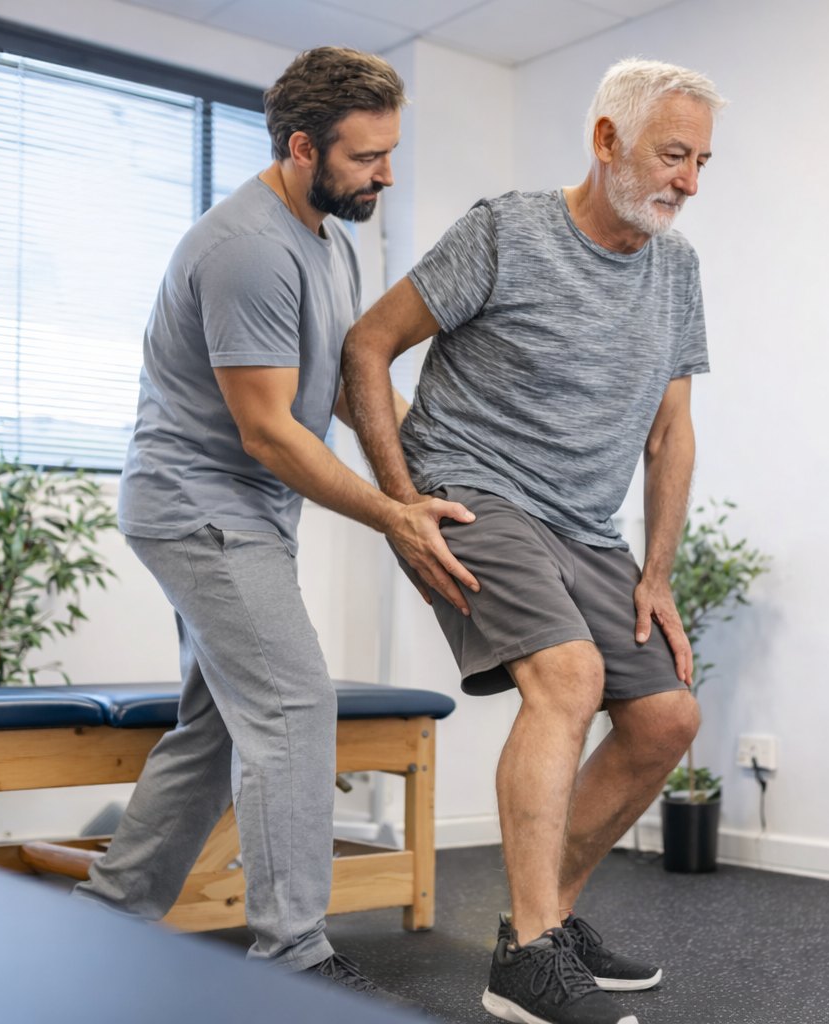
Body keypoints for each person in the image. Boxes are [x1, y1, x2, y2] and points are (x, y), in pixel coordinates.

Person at [72, 47, 478, 1004]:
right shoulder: (246, 247)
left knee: (216, 733)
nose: (384, 175)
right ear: (303, 147)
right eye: (367, 157)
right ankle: (293, 963)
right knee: (296, 704)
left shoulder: (331, 237)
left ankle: (105, 920)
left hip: (245, 507)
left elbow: (335, 385)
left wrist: (427, 470)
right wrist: (392, 517)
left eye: (390, 153)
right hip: (200, 507)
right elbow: (265, 432)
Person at [343, 57, 724, 1024]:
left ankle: (545, 917)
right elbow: (366, 347)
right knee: (568, 675)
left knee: (667, 719)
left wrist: (660, 576)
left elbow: (670, 430)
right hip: (469, 487)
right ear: (607, 142)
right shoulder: (506, 231)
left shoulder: (677, 269)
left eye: (701, 162)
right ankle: (530, 961)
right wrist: (400, 502)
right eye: (672, 155)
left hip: (579, 523)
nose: (689, 181)